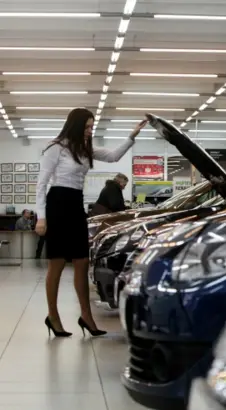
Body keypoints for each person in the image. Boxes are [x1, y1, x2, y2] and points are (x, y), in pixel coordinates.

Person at [35, 107, 147, 338]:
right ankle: (53, 316)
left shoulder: (85, 149)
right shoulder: (56, 147)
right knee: (56, 263)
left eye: (91, 126)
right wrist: (41, 217)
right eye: (86, 126)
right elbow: (41, 183)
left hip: (76, 204)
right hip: (57, 203)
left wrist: (131, 136)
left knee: (83, 261)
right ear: (75, 125)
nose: (89, 130)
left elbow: (114, 156)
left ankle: (86, 316)